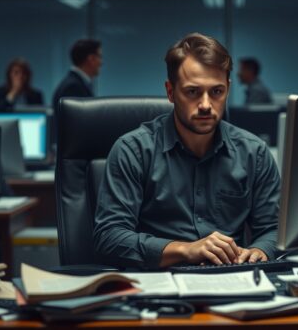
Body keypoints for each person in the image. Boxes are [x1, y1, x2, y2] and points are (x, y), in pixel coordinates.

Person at [93, 33, 281, 270]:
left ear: (228, 89)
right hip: (158, 283)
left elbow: (274, 230)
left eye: (216, 92)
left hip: (232, 280)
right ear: (170, 92)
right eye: (193, 92)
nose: (205, 104)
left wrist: (259, 251)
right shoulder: (133, 150)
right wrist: (187, 249)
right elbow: (109, 237)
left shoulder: (255, 153)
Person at [52, 39, 102, 111]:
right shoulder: (73, 87)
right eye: (99, 56)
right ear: (91, 59)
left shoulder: (74, 83)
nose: (101, 62)